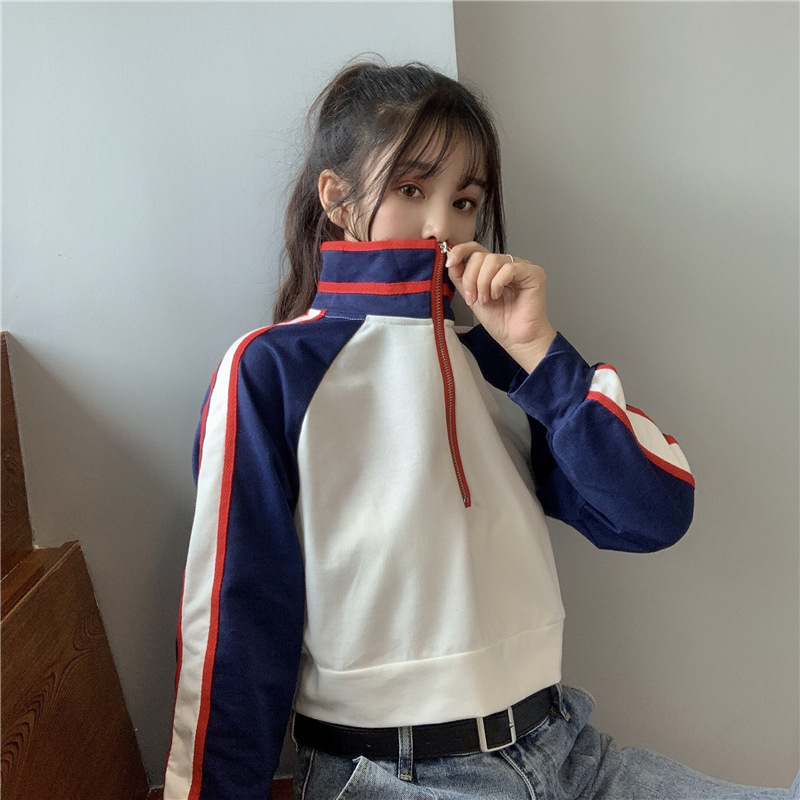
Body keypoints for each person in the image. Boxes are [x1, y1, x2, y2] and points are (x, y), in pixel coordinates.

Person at [164, 61, 798, 800]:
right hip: (395, 776)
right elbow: (234, 623)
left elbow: (653, 515)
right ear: (336, 197)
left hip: (566, 752)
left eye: (464, 201)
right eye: (411, 189)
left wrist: (540, 351)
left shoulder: (503, 363)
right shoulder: (271, 369)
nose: (442, 226)